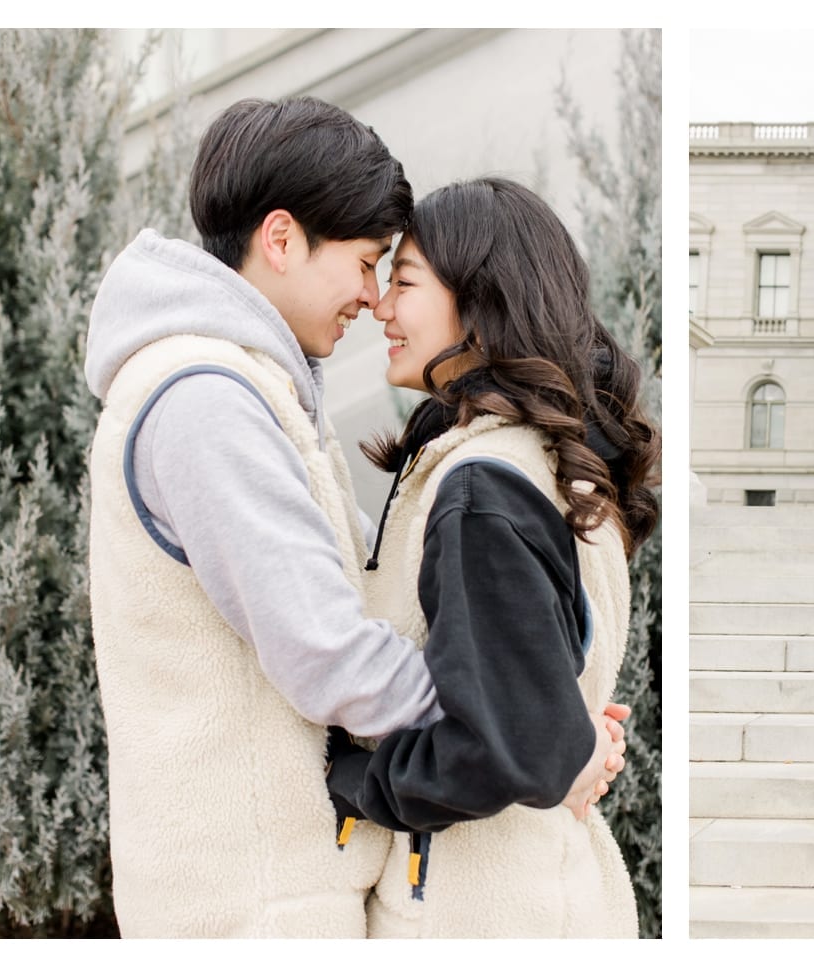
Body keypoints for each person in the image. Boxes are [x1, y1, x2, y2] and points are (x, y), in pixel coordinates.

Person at [84, 98, 624, 938]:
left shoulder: (252, 390)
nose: (372, 298)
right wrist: (539, 732)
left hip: (285, 891)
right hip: (252, 900)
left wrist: (530, 725)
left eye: (396, 276)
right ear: (282, 239)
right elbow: (325, 645)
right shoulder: (206, 400)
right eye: (369, 262)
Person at [323, 177, 659, 938]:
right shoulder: (559, 464)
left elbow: (515, 747)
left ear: (479, 306)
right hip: (546, 892)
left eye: (404, 282)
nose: (381, 306)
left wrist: (352, 776)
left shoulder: (482, 486)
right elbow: (543, 717)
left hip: (484, 913)